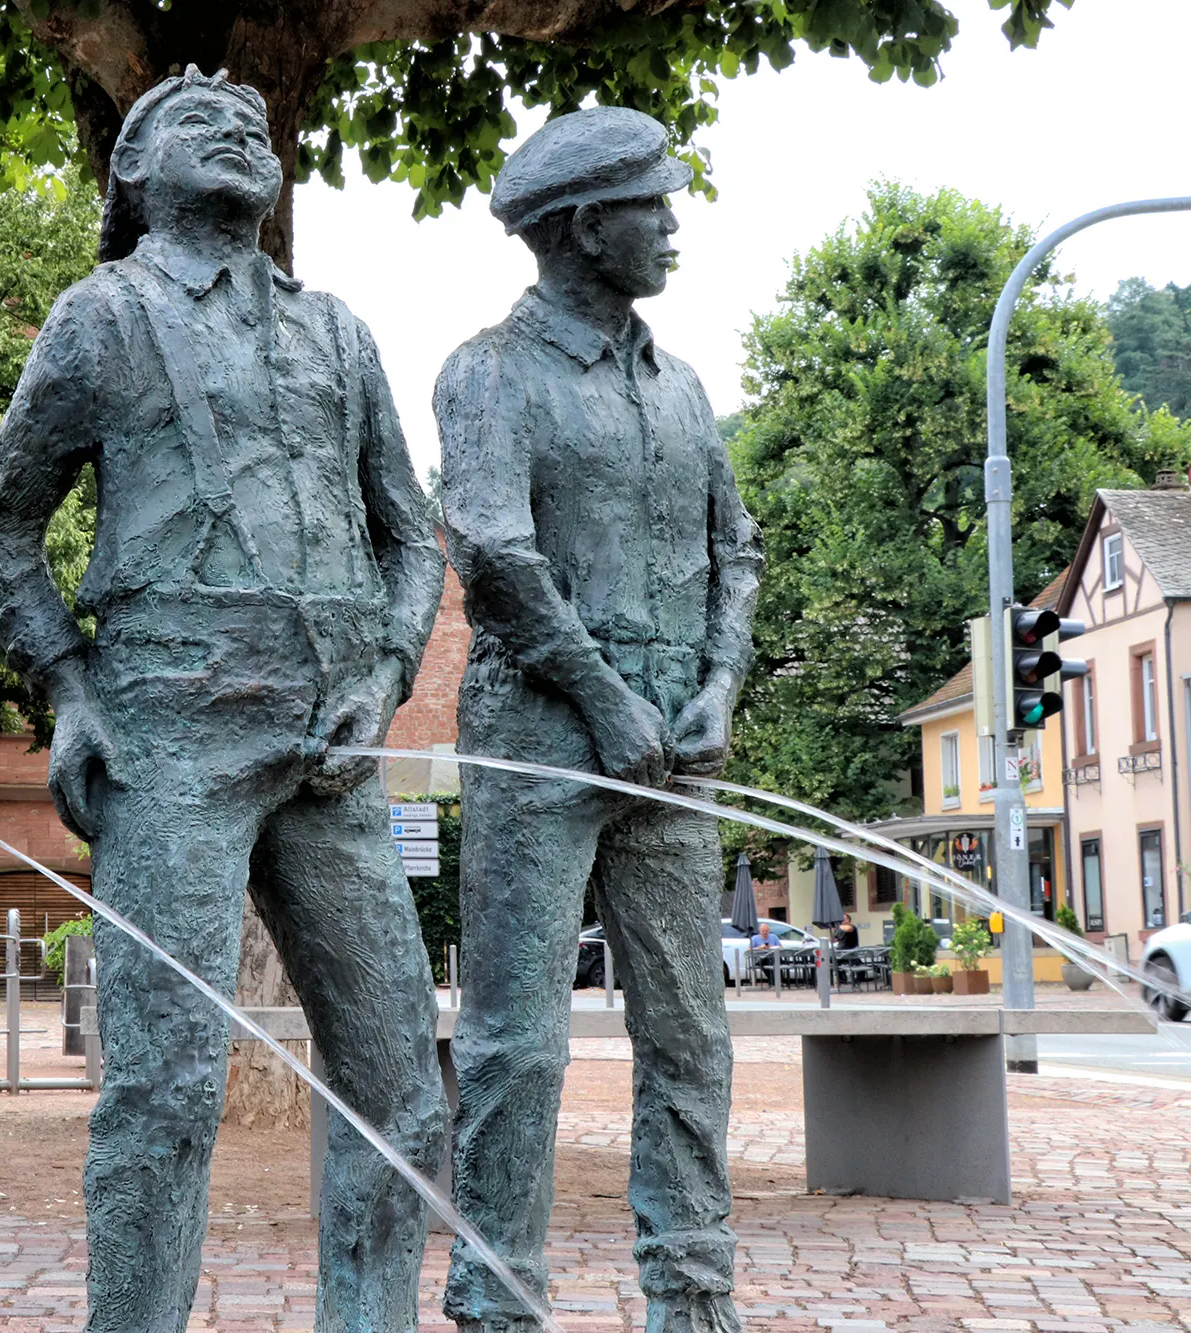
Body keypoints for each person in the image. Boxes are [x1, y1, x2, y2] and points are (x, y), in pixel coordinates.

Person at [0, 66, 449, 1333]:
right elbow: (0, 530)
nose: (238, 125)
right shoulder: (99, 317)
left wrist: (390, 673)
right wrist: (70, 689)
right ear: (126, 174)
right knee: (162, 1087)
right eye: (195, 119)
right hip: (163, 731)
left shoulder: (337, 330)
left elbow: (411, 538)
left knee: (401, 1086)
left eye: (254, 117)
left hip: (331, 740)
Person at [436, 105, 763, 1333]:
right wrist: (605, 697)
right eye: (652, 208)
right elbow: (492, 551)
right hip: (536, 734)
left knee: (690, 1032)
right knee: (517, 1044)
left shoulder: (678, 385)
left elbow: (737, 551)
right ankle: (495, 1300)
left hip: (675, 743)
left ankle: (691, 1294)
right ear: (583, 226)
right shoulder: (489, 370)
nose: (673, 229)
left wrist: (713, 689)